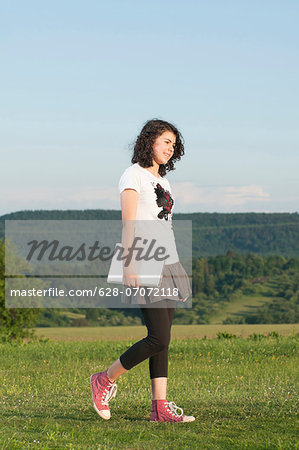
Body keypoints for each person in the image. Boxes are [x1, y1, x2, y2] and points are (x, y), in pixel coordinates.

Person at [90, 119, 195, 423]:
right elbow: (129, 224)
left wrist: (178, 266)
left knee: (165, 338)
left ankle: (159, 408)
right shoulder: (132, 176)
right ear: (149, 141)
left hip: (167, 260)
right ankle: (104, 379)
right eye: (165, 142)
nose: (170, 148)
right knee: (158, 337)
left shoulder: (162, 180)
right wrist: (128, 265)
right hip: (144, 258)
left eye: (173, 144)